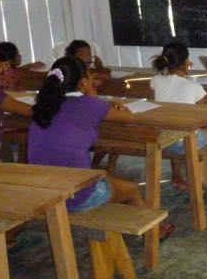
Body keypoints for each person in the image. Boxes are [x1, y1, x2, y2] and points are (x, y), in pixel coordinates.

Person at [27, 56, 174, 237]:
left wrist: (98, 103)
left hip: (43, 190)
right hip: (74, 197)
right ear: (83, 83)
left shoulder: (43, 105)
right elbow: (128, 117)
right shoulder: (88, 103)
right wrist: (98, 100)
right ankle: (154, 233)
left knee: (105, 177)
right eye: (89, 77)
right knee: (131, 188)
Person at [150, 41, 207, 191]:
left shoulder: (156, 81)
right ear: (186, 62)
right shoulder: (195, 88)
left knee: (172, 125)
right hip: (184, 143)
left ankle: (177, 178)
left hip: (162, 140)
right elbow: (204, 118)